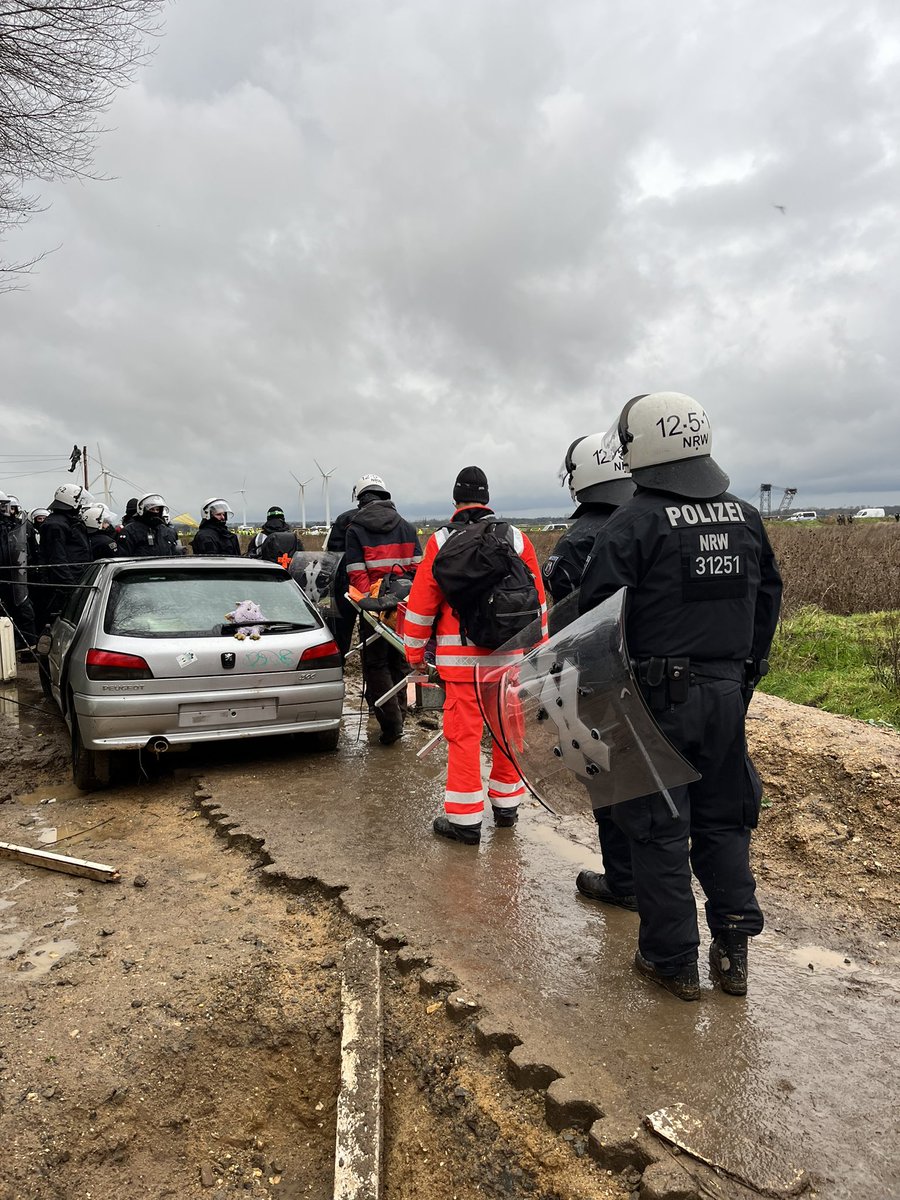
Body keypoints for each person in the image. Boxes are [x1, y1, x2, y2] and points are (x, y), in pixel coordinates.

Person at [579, 392, 782, 1000]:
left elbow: (595, 621)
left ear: (640, 449)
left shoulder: (632, 524)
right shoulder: (746, 518)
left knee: (659, 828)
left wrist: (597, 704)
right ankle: (734, 950)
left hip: (652, 701)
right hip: (727, 694)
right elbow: (767, 602)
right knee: (724, 822)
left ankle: (670, 963)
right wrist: (741, 678)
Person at [403, 467, 547, 843]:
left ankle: (465, 822)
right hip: (508, 659)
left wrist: (414, 653)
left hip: (459, 665)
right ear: (486, 498)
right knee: (506, 734)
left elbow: (421, 607)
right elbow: (538, 600)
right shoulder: (516, 538)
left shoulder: (438, 542)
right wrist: (537, 648)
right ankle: (506, 807)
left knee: (463, 737)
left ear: (455, 501)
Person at [546, 433, 638, 911]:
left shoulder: (579, 537)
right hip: (651, 679)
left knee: (603, 775)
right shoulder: (645, 517)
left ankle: (623, 881)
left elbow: (561, 617)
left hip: (596, 681)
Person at [344, 474, 421, 744]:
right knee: (398, 661)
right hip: (403, 607)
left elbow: (356, 573)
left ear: (362, 498)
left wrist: (372, 606)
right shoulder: (407, 527)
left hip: (374, 608)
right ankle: (399, 713)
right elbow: (418, 572)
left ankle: (391, 724)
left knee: (375, 664)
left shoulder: (355, 529)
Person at [36, 483, 93, 622]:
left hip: (76, 580)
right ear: (71, 502)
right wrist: (71, 587)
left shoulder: (69, 522)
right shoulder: (56, 525)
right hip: (63, 588)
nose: (80, 506)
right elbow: (57, 559)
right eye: (79, 502)